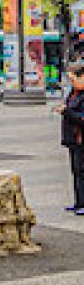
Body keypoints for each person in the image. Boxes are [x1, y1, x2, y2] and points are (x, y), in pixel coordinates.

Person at [54, 61, 84, 213]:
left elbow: (81, 118)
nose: (71, 82)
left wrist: (66, 111)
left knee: (81, 171)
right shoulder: (74, 93)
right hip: (73, 139)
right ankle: (79, 202)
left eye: (73, 79)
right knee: (76, 171)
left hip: (80, 139)